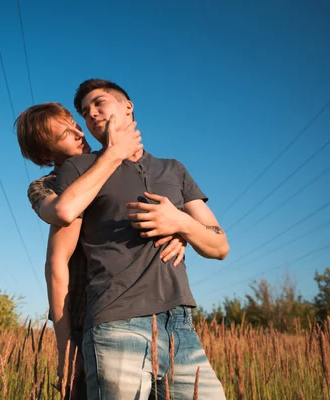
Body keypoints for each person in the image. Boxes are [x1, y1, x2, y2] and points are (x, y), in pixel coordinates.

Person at [50, 79, 230, 399]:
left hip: (180, 325)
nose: (91, 114)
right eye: (84, 112)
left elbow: (220, 246)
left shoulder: (174, 169)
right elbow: (63, 221)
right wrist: (114, 153)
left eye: (99, 103)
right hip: (116, 322)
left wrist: (182, 224)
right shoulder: (79, 168)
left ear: (127, 106)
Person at [15, 102, 188, 399]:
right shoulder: (47, 185)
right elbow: (59, 233)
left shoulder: (121, 169)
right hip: (87, 318)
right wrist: (66, 349)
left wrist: (181, 231)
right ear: (46, 155)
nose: (78, 133)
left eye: (74, 124)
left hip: (148, 313)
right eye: (65, 134)